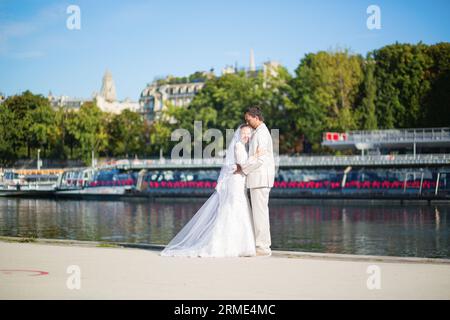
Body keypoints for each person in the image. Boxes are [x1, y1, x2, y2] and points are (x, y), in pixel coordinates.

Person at [160, 124, 263, 257]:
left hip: (238, 181)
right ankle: (232, 245)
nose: (246, 136)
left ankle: (236, 245)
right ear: (239, 134)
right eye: (244, 133)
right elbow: (243, 164)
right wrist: (256, 156)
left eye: (248, 134)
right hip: (236, 182)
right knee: (234, 209)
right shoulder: (238, 146)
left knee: (235, 209)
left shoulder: (241, 146)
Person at [234, 106, 275, 256]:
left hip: (260, 178)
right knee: (259, 214)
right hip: (259, 178)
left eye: (248, 119)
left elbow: (261, 159)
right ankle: (261, 245)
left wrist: (243, 169)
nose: (247, 122)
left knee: (260, 214)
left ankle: (263, 247)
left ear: (256, 117)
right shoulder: (259, 132)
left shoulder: (262, 133)